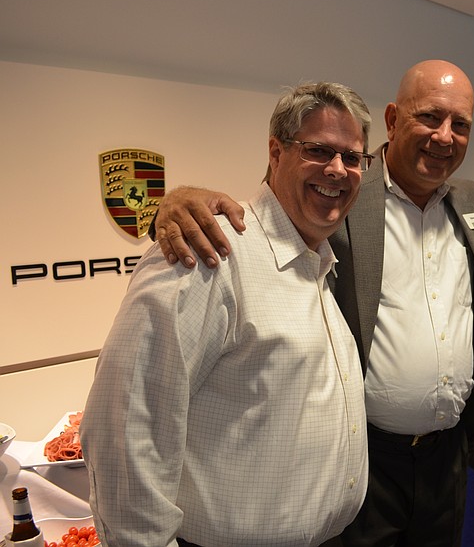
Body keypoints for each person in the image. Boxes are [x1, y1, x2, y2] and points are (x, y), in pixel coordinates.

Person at [148, 60, 474, 547]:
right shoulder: (346, 189)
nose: (444, 136)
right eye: (429, 117)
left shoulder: (471, 198)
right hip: (365, 458)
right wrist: (175, 200)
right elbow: (270, 203)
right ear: (392, 119)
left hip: (446, 460)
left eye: (460, 124)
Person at [80, 82, 373, 547]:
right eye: (318, 150)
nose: (338, 169)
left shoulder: (321, 258)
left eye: (353, 157)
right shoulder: (210, 252)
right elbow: (126, 425)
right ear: (276, 152)